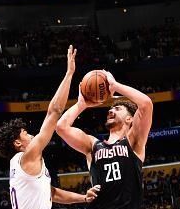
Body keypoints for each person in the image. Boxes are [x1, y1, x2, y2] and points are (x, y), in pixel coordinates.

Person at [0, 45, 100, 209]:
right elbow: (54, 112)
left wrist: (84, 198)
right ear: (17, 144)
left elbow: (51, 193)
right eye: (26, 134)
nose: (31, 135)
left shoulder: (22, 166)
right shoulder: (27, 157)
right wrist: (69, 73)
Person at [56, 71, 153, 209]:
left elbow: (146, 104)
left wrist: (115, 85)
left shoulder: (133, 142)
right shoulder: (93, 145)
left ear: (129, 119)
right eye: (111, 109)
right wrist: (81, 105)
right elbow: (61, 127)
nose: (111, 111)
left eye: (117, 109)